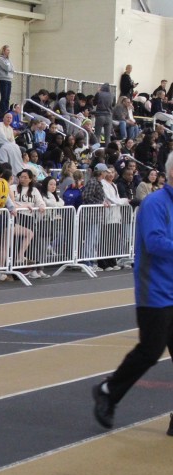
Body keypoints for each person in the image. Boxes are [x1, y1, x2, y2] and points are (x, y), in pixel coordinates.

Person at [93, 154, 173, 430]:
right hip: (156, 289)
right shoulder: (155, 204)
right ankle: (108, 391)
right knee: (151, 350)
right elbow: (155, 242)